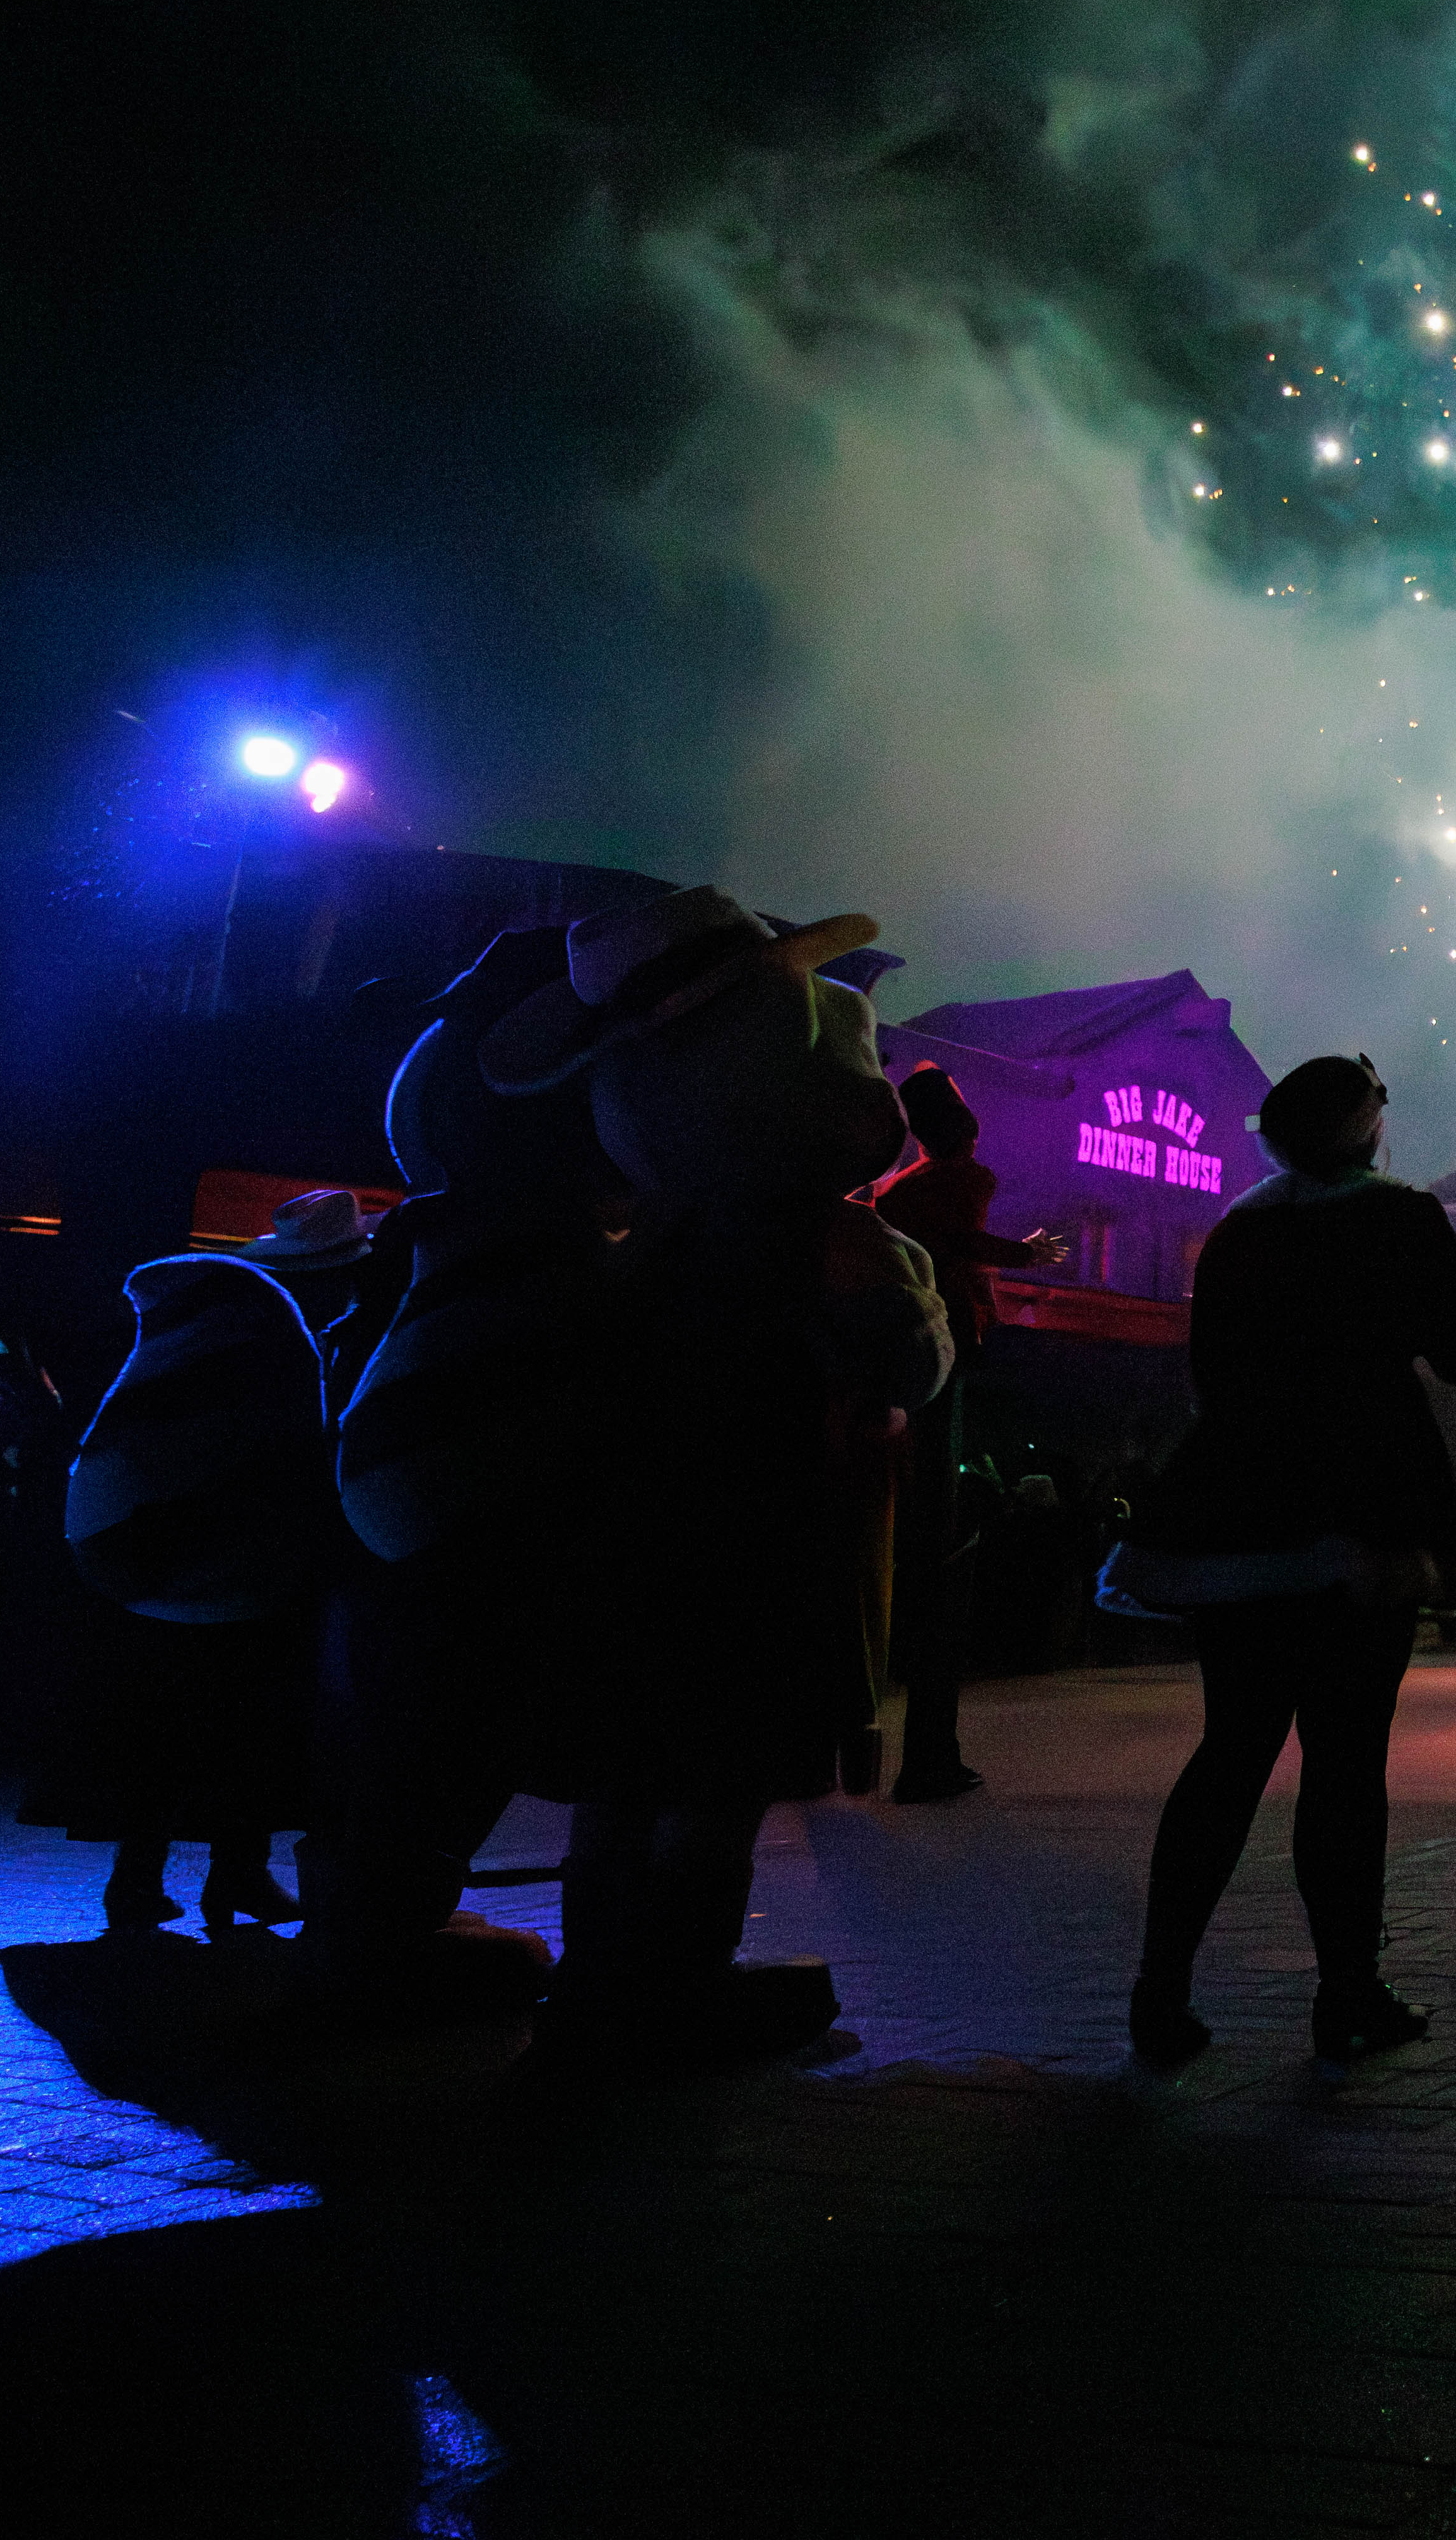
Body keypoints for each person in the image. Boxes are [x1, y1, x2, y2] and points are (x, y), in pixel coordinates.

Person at [482, 887, 950, 2072]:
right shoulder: (829, 1240)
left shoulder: (639, 1243)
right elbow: (910, 1360)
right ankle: (679, 1991)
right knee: (716, 1785)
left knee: (625, 1778)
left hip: (627, 1545)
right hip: (756, 1542)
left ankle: (596, 1989)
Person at [1113, 1053, 1456, 2069]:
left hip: (1238, 1503)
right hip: (1366, 1504)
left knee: (1229, 1751)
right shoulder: (1404, 1216)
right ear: (1369, 1127)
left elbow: (1208, 1377)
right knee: (1345, 1762)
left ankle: (1160, 1991)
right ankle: (1347, 1992)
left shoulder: (1238, 1231)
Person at [308, 930, 607, 2018]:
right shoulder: (547, 1243)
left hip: (383, 1518)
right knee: (457, 1723)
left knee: (396, 1722)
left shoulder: (415, 1235)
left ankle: (361, 1923)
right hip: (482, 1520)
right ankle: (386, 1939)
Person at [25, 1249, 345, 1936]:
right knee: (246, 1737)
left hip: (153, 1597)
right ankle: (234, 1875)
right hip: (246, 1593)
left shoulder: (151, 1381)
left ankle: (141, 1880)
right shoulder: (267, 1370)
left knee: (162, 1741)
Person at [870, 1066, 1048, 1802]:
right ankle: (930, 1756)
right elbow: (962, 1240)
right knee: (939, 1554)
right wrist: (1024, 1253)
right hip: (942, 1350)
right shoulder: (965, 1176)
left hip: (887, 1363)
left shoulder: (888, 1191)